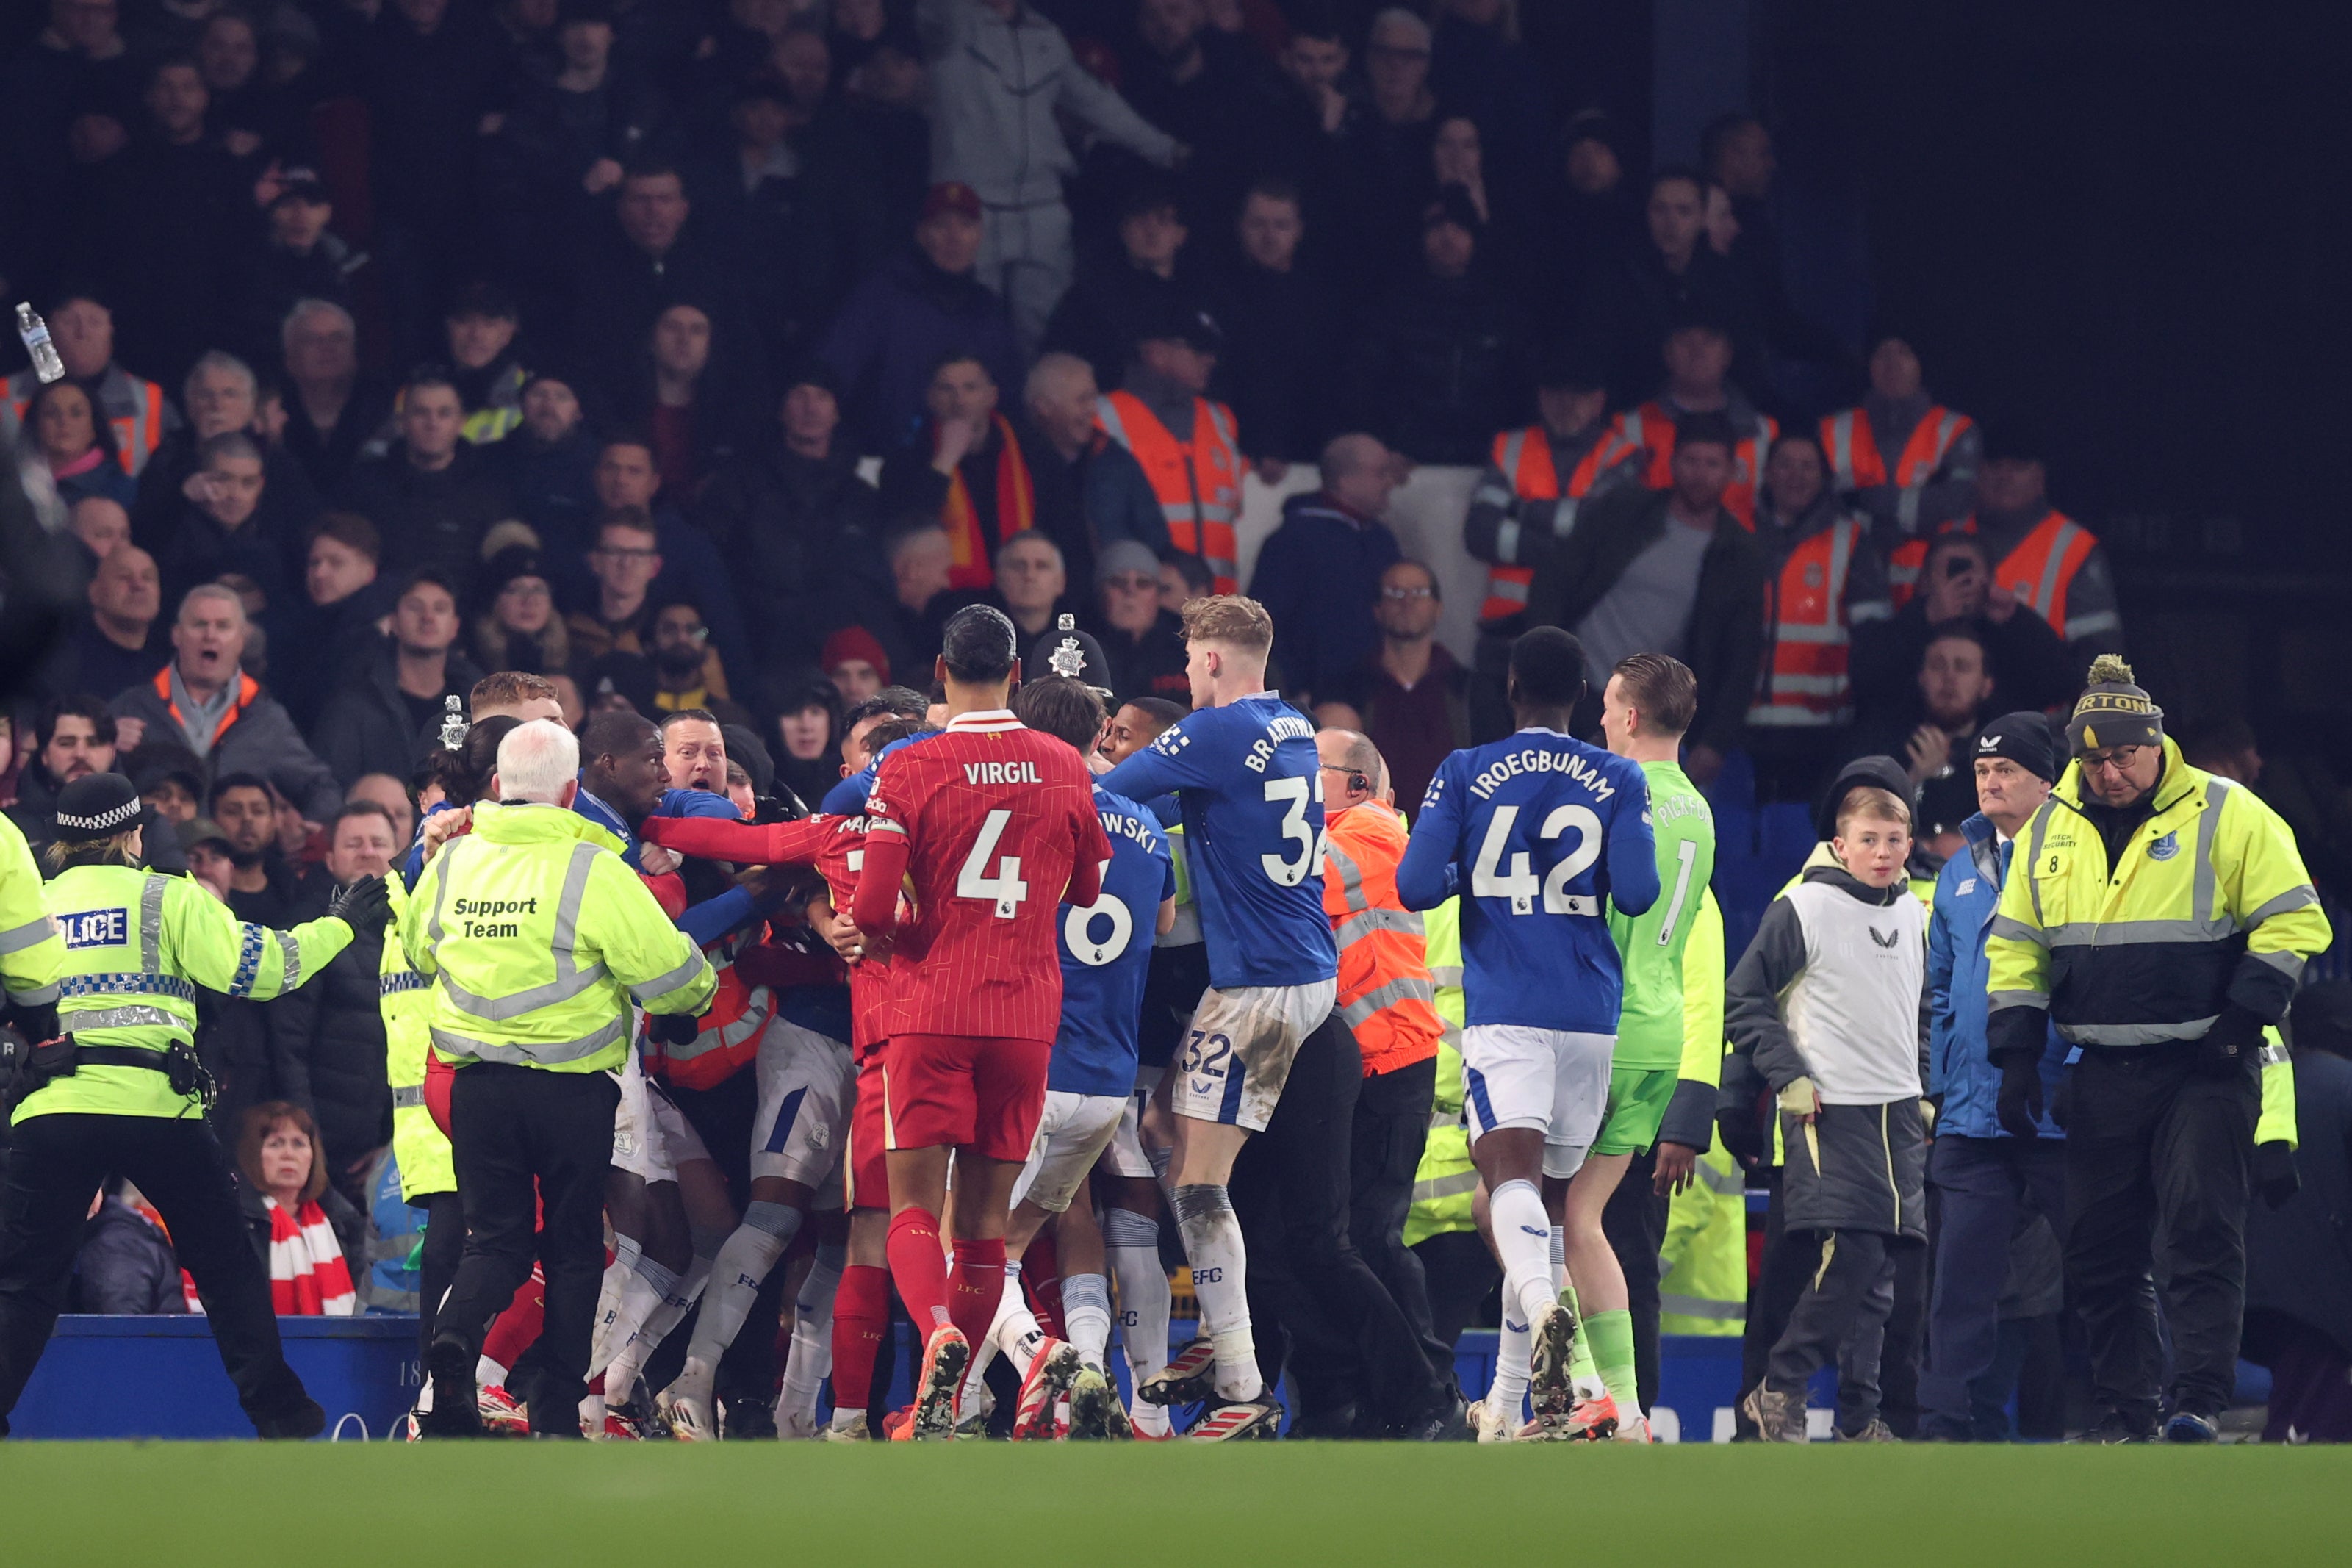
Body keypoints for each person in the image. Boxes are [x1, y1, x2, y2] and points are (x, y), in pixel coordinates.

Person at [1985, 658, 2326, 1442]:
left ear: (2156, 742)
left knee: (2201, 1234)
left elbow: (2296, 921)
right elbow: (2017, 947)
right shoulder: (2050, 824)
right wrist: (2014, 1055)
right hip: (2102, 1068)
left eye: (2122, 756)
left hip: (2206, 1065)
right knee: (2100, 1254)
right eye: (2092, 759)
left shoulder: (2227, 810)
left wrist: (2242, 1022)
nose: (2107, 773)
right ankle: (2123, 1413)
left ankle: (2197, 1402)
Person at [0, 771, 387, 1440]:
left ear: (60, 843)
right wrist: (339, 926)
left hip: (53, 1110)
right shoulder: (166, 897)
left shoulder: (31, 902)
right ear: (134, 835)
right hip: (157, 1109)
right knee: (227, 1269)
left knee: (25, 1282)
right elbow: (262, 970)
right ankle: (284, 1418)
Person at [408, 720, 717, 1438]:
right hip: (572, 1090)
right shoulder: (594, 868)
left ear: (497, 787)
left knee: (497, 1244)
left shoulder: (453, 863)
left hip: (477, 1087)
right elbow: (669, 976)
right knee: (575, 1251)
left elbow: (423, 951)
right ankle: (554, 1413)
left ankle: (453, 1341)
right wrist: (696, 993)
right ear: (573, 791)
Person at [845, 605, 1109, 1438]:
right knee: (989, 1223)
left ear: (940, 670)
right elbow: (1091, 891)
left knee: (914, 1207)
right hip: (1026, 1014)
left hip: (931, 1007)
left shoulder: (909, 766)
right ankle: (949, 1406)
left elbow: (874, 906)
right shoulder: (1066, 763)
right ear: (1019, 674)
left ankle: (940, 1336)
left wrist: (906, 917)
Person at [1395, 627, 1658, 1438]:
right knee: (1542, 1206)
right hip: (1588, 1014)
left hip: (1508, 1006)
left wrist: (1464, 870)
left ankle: (1549, 1313)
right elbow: (1641, 892)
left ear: (1508, 686)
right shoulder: (1617, 775)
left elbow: (1413, 884)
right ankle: (1509, 1410)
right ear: (1582, 695)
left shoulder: (1466, 771)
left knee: (1509, 1186)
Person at [1095, 595, 1343, 1439]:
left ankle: (1239, 1386)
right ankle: (1220, 1323)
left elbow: (1105, 794)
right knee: (1163, 1120)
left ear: (1207, 660)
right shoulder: (1296, 728)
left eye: (1193, 660)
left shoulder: (1213, 732)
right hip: (1296, 968)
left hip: (1262, 984)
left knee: (1199, 1182)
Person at [948, 675, 1173, 1438]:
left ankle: (1044, 1364)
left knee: (967, 1239)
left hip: (1030, 1064)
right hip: (1108, 1084)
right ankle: (985, 1402)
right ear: (1098, 730)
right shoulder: (1141, 820)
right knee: (1008, 1247)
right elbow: (1166, 917)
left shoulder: (1020, 813)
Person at [1726, 778, 1927, 1442]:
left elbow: (1921, 1011)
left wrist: (1922, 1089)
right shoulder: (1805, 906)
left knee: (1878, 1279)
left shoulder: (1912, 914)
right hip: (1827, 1107)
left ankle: (1859, 1419)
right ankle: (1779, 1387)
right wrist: (1786, 1077)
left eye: (1893, 841)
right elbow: (1744, 997)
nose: (1881, 853)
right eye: (1867, 841)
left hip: (1897, 1112)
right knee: (1852, 1256)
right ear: (1839, 846)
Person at [1918, 712, 2069, 1441]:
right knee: (1957, 1290)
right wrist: (1942, 1086)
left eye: (2006, 769)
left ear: (2048, 780)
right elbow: (1939, 991)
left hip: (2063, 1110)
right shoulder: (1957, 868)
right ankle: (1945, 1426)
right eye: (1983, 769)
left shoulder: (2082, 855)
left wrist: (2073, 1074)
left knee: (2108, 1268)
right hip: (1972, 1116)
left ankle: (2134, 1411)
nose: (1990, 780)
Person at [1313, 727, 1459, 1433]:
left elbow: (1287, 874)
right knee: (1342, 1240)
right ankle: (1377, 1396)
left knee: (1372, 1238)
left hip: (1391, 1062)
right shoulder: (1356, 829)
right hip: (1359, 1065)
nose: (1293, 783)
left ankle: (1433, 1391)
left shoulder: (1372, 831)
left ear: (1358, 784)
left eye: (1308, 770)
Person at [918, 0, 1182, 351]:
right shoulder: (951, 22)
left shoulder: (1044, 34)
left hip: (1040, 203)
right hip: (972, 206)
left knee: (1050, 334)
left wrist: (1167, 150)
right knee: (969, 334)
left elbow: (1095, 102)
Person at [1521, 416, 1767, 785]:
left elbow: (1741, 658)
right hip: (1577, 691)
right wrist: (1543, 663)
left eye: (1712, 464)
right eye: (1691, 461)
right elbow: (1556, 579)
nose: (1700, 474)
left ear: (1732, 471)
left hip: (1651, 714)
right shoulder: (1624, 511)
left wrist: (1715, 742)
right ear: (1672, 463)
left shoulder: (1738, 553)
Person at [692, 361, 893, 669]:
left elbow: (871, 583)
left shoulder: (860, 497)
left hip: (839, 651)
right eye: (800, 395)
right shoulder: (738, 483)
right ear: (781, 409)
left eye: (822, 397)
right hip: (756, 643)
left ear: (837, 412)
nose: (810, 408)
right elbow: (712, 570)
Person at [267, 801, 405, 1209]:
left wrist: (391, 1141)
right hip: (322, 1148)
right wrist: (310, 1146)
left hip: (385, 1148)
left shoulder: (415, 925)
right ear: (329, 858)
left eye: (379, 842)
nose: (367, 852)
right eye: (354, 843)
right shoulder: (306, 930)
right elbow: (288, 1046)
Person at [819, 181, 1024, 453]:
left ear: (979, 235)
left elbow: (1009, 399)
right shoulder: (880, 297)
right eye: (941, 226)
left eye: (965, 226)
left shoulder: (989, 309)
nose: (954, 238)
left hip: (971, 467)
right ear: (921, 234)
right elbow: (831, 374)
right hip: (889, 466)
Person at [109, 585, 342, 821]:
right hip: (149, 855)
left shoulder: (266, 719)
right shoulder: (132, 707)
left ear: (241, 640)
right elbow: (87, 781)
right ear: (176, 635)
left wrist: (314, 834)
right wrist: (107, 749)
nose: (210, 635)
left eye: (223, 626)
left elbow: (320, 787)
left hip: (228, 857)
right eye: (199, 624)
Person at [1887, 431, 2123, 661]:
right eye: (1994, 464)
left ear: (2041, 478)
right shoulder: (1937, 536)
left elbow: (2100, 660)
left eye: (2018, 466)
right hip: (1942, 693)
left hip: (2037, 696)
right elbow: (1892, 642)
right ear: (1976, 472)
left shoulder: (2073, 549)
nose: (2004, 476)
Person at [1341, 187, 1532, 466]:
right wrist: (1382, 447)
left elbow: (1519, 391)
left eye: (1459, 227)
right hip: (1404, 463)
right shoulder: (1391, 308)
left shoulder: (1502, 312)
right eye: (1436, 227)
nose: (1448, 236)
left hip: (1486, 464)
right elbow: (1364, 386)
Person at [1746, 433, 1892, 799]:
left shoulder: (1851, 539)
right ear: (1766, 473)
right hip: (1741, 727)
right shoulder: (1739, 532)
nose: (1796, 475)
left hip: (1822, 730)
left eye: (1808, 466)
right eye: (1785, 464)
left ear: (1824, 477)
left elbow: (1873, 643)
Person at [1464, 352, 1640, 636]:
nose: (1566, 404)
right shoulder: (1508, 446)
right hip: (1506, 625)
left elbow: (1603, 530)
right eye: (1557, 394)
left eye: (1578, 395)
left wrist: (1518, 509)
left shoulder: (1621, 456)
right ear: (1541, 397)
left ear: (1598, 401)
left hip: (1586, 625)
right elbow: (1480, 534)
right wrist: (1572, 553)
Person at [2244, 985, 2352, 1443]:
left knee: (2291, 1410)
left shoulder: (2257, 1083)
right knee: (2315, 1431)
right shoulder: (2344, 1085)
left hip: (2248, 1280)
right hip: (2326, 1291)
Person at [1576, 168, 1767, 409]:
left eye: (1684, 211)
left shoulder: (1730, 280)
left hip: (1713, 419)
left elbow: (1747, 362)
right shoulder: (1616, 278)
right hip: (1633, 414)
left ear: (1702, 218)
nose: (1671, 223)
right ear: (1646, 214)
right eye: (1660, 210)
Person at [1093, 306, 1244, 594]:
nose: (1209, 360)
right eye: (1197, 350)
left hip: (1219, 605)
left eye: (1212, 351)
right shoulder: (1104, 415)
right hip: (1147, 599)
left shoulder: (1222, 420)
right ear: (1156, 352)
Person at [1247, 433, 1403, 706]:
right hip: (1315, 701)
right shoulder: (1291, 541)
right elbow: (1263, 623)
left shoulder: (1382, 539)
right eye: (1381, 473)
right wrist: (1293, 689)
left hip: (1377, 698)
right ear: (1346, 480)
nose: (1390, 482)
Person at [337, 373, 514, 594]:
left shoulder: (490, 493)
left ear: (461, 422)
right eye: (421, 412)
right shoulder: (364, 486)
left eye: (444, 413)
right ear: (402, 422)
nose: (433, 423)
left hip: (462, 622)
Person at [1206, 178, 1338, 473]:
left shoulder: (1322, 304)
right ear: (1240, 226)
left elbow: (1326, 386)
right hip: (1229, 458)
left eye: (1281, 226)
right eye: (1258, 225)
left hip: (1308, 461)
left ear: (1299, 231)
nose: (1269, 236)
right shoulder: (1214, 296)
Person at [877, 353, 1037, 591]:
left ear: (992, 396)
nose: (959, 401)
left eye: (970, 388)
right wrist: (943, 463)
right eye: (946, 390)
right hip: (945, 596)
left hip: (1022, 590)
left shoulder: (1032, 453)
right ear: (930, 398)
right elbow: (906, 533)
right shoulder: (905, 461)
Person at [1601, 315, 1779, 529]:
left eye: (1710, 340)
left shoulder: (1765, 432)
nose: (1698, 352)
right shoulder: (1628, 427)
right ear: (1667, 354)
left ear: (1727, 355)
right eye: (1685, 340)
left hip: (1737, 557)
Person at [313, 572, 485, 788]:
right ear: (393, 622)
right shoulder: (353, 708)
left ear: (455, 627)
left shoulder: (479, 711)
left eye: (440, 609)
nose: (428, 617)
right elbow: (330, 787)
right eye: (415, 607)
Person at [1020, 352, 1170, 594]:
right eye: (1082, 400)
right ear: (1044, 407)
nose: (1092, 410)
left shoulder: (1115, 461)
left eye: (1093, 399)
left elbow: (1156, 538)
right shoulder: (1015, 463)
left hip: (1111, 598)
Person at [1331, 558, 1469, 816]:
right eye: (1394, 593)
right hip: (1373, 842)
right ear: (1377, 609)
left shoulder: (1468, 690)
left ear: (1437, 607)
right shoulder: (1348, 689)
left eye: (1419, 593)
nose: (1407, 602)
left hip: (1452, 846)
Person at [1043, 180, 1207, 393]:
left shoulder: (1203, 296)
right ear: (1123, 230)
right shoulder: (1088, 299)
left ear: (1181, 234)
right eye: (1141, 220)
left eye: (1163, 221)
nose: (1152, 231)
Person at [1820, 334, 1980, 539]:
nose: (1892, 363)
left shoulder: (1957, 431)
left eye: (1904, 352)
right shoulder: (1833, 430)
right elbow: (1821, 504)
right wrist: (1919, 505)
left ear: (1921, 363)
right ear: (1869, 365)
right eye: (1882, 354)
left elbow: (1957, 502)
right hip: (1854, 565)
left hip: (1931, 566)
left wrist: (1866, 500)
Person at [2, 295, 178, 480]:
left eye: (95, 321)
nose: (82, 332)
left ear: (111, 329)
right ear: (47, 330)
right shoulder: (5, 395)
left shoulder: (151, 403)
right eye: (68, 321)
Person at [233, 1101, 362, 1315]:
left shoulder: (343, 1221)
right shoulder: (236, 1219)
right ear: (252, 1154)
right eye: (276, 1144)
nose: (288, 1154)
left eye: (299, 1144)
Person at [158, 432, 304, 621]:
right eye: (224, 479)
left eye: (248, 483)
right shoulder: (169, 528)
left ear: (260, 486)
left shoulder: (277, 538)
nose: (236, 495)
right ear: (201, 479)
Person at [277, 300, 392, 498]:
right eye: (312, 339)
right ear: (289, 358)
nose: (327, 347)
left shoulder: (387, 411)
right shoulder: (271, 416)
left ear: (355, 352)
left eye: (337, 338)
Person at [1091, 539, 1190, 707]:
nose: (1130, 592)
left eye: (1143, 583)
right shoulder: (1081, 645)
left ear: (1158, 595)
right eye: (1118, 582)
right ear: (1100, 592)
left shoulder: (1187, 647)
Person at [20, 380, 135, 512]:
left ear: (94, 426)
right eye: (51, 413)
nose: (64, 421)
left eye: (76, 413)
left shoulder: (123, 491)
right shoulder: (14, 486)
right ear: (36, 425)